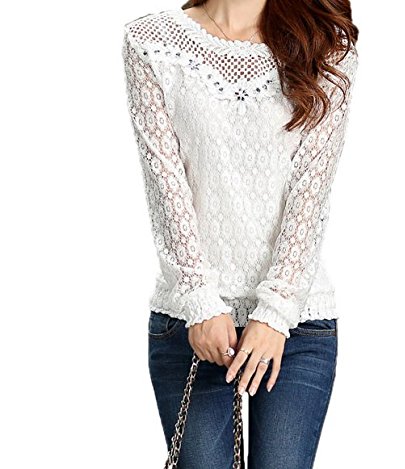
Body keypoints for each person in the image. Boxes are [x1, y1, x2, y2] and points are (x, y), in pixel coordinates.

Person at [122, 1, 359, 467]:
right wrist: (200, 301)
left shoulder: (324, 43)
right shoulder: (151, 41)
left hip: (298, 323)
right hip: (190, 320)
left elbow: (311, 192)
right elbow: (165, 184)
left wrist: (275, 312)